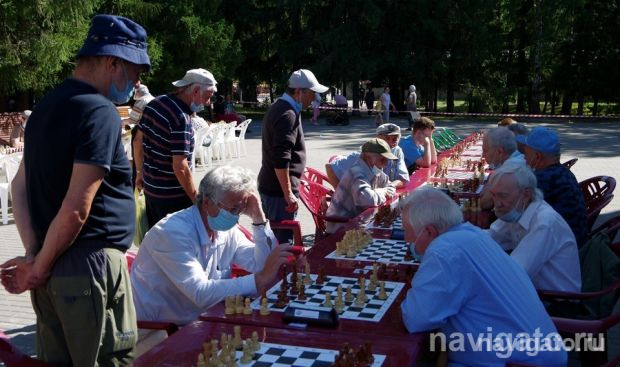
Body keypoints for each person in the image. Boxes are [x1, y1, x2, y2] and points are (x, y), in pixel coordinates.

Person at [0, 14, 151, 365]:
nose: (137, 81)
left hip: (54, 266)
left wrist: (37, 252)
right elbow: (77, 207)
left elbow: (20, 188)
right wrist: (38, 264)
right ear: (113, 62)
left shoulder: (46, 108)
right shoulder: (99, 111)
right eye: (135, 71)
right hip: (89, 266)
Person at [399, 187, 567, 366]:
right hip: (539, 352)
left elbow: (416, 318)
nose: (406, 239)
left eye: (406, 231)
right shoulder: (473, 234)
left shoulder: (444, 252)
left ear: (430, 232)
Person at [131, 166, 293, 325]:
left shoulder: (226, 230)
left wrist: (258, 219)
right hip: (159, 331)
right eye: (232, 209)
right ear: (207, 202)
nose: (236, 216)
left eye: (241, 209)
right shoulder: (172, 233)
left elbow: (262, 265)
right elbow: (201, 293)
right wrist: (259, 279)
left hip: (201, 319)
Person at [133, 68, 217, 228]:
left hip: (152, 191)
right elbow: (181, 167)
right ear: (196, 91)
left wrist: (139, 172)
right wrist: (196, 200)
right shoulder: (181, 118)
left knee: (157, 243)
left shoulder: (155, 104)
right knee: (176, 248)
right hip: (173, 198)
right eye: (207, 97)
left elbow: (137, 141)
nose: (208, 103)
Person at [258, 69, 328, 243]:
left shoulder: (281, 107)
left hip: (273, 188)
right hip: (278, 193)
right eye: (312, 93)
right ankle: (282, 271)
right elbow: (281, 158)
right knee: (282, 245)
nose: (314, 99)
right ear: (299, 91)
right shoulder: (287, 114)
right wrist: (288, 193)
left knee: (276, 240)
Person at [487, 163, 581, 292]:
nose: (497, 203)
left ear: (526, 194)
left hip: (558, 302)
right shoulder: (518, 208)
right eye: (493, 195)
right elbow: (491, 236)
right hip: (536, 292)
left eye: (503, 196)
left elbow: (515, 274)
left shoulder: (544, 222)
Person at [518, 127, 588, 248]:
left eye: (526, 150)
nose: (523, 154)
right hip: (575, 240)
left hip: (561, 248)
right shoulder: (563, 172)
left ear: (537, 156)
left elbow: (516, 213)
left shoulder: (541, 179)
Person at [325, 138, 397, 233]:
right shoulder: (356, 173)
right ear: (367, 156)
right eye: (382, 159)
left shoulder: (375, 169)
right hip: (341, 227)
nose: (386, 164)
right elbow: (368, 200)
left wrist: (382, 191)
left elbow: (390, 186)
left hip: (359, 221)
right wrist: (382, 191)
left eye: (387, 160)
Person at [325, 123, 409, 189]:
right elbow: (329, 167)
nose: (391, 142)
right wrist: (339, 193)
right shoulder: (364, 154)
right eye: (387, 138)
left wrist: (390, 186)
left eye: (395, 138)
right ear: (377, 139)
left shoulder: (397, 151)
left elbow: (404, 180)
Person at [479, 127, 526, 210]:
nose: (483, 155)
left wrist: (490, 185)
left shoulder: (506, 171)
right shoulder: (521, 158)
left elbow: (484, 203)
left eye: (485, 150)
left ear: (499, 152)